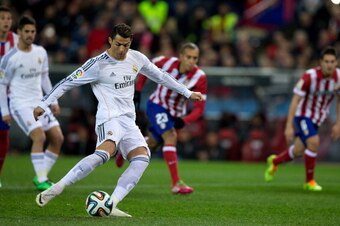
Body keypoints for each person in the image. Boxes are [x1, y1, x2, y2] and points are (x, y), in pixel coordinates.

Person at [34, 23, 203, 217]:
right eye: (118, 44)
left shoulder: (136, 58)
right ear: (110, 41)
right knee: (104, 154)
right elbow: (67, 82)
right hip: (109, 118)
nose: (122, 49)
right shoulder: (97, 64)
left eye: (126, 45)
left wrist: (187, 93)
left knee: (142, 158)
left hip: (128, 121)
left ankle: (111, 204)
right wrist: (44, 103)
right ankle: (58, 187)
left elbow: (161, 76)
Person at [116, 42, 207, 194]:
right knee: (171, 136)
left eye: (195, 58)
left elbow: (200, 108)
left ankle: (124, 149)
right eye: (189, 57)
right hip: (157, 105)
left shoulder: (200, 77)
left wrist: (184, 120)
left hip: (174, 114)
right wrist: (138, 90)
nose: (191, 61)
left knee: (152, 143)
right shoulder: (164, 62)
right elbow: (145, 67)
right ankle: (176, 183)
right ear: (181, 56)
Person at [0, 15, 64, 191]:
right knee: (39, 136)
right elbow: (2, 85)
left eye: (33, 31)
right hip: (20, 104)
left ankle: (39, 176)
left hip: (39, 103)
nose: (30, 34)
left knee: (58, 138)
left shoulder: (40, 52)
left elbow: (44, 78)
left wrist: (53, 100)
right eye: (26, 31)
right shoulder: (9, 58)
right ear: (19, 32)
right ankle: (43, 180)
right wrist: (4, 111)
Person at [264, 46, 340, 191]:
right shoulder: (309, 76)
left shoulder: (338, 77)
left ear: (336, 63)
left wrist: (338, 124)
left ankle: (275, 161)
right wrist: (288, 126)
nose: (329, 65)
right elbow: (295, 100)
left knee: (298, 151)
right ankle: (309, 181)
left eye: (332, 61)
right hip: (303, 116)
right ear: (320, 62)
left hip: (318, 118)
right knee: (313, 142)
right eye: (326, 61)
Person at [0, 5, 18, 188]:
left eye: (8, 18)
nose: (6, 21)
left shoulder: (17, 40)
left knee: (3, 134)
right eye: (2, 18)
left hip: (7, 95)